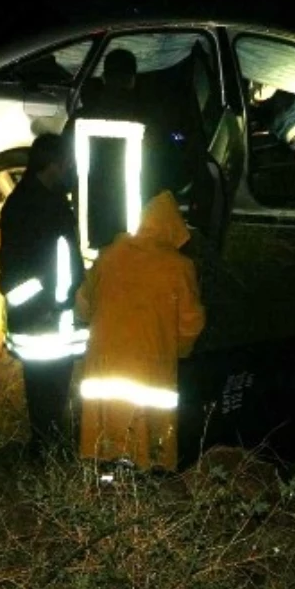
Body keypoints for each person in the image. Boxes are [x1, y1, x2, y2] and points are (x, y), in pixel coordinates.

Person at [75, 183, 206, 475]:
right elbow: (190, 322)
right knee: (146, 427)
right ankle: (142, 483)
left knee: (105, 425)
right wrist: (179, 350)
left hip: (103, 359)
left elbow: (84, 302)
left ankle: (106, 479)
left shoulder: (109, 255)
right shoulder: (179, 267)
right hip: (151, 360)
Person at [0, 132, 85, 458]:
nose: (70, 169)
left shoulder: (27, 200)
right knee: (48, 388)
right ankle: (46, 449)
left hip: (38, 313)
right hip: (45, 315)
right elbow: (53, 266)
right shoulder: (42, 207)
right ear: (53, 164)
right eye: (67, 163)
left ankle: (45, 444)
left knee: (44, 388)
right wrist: (57, 303)